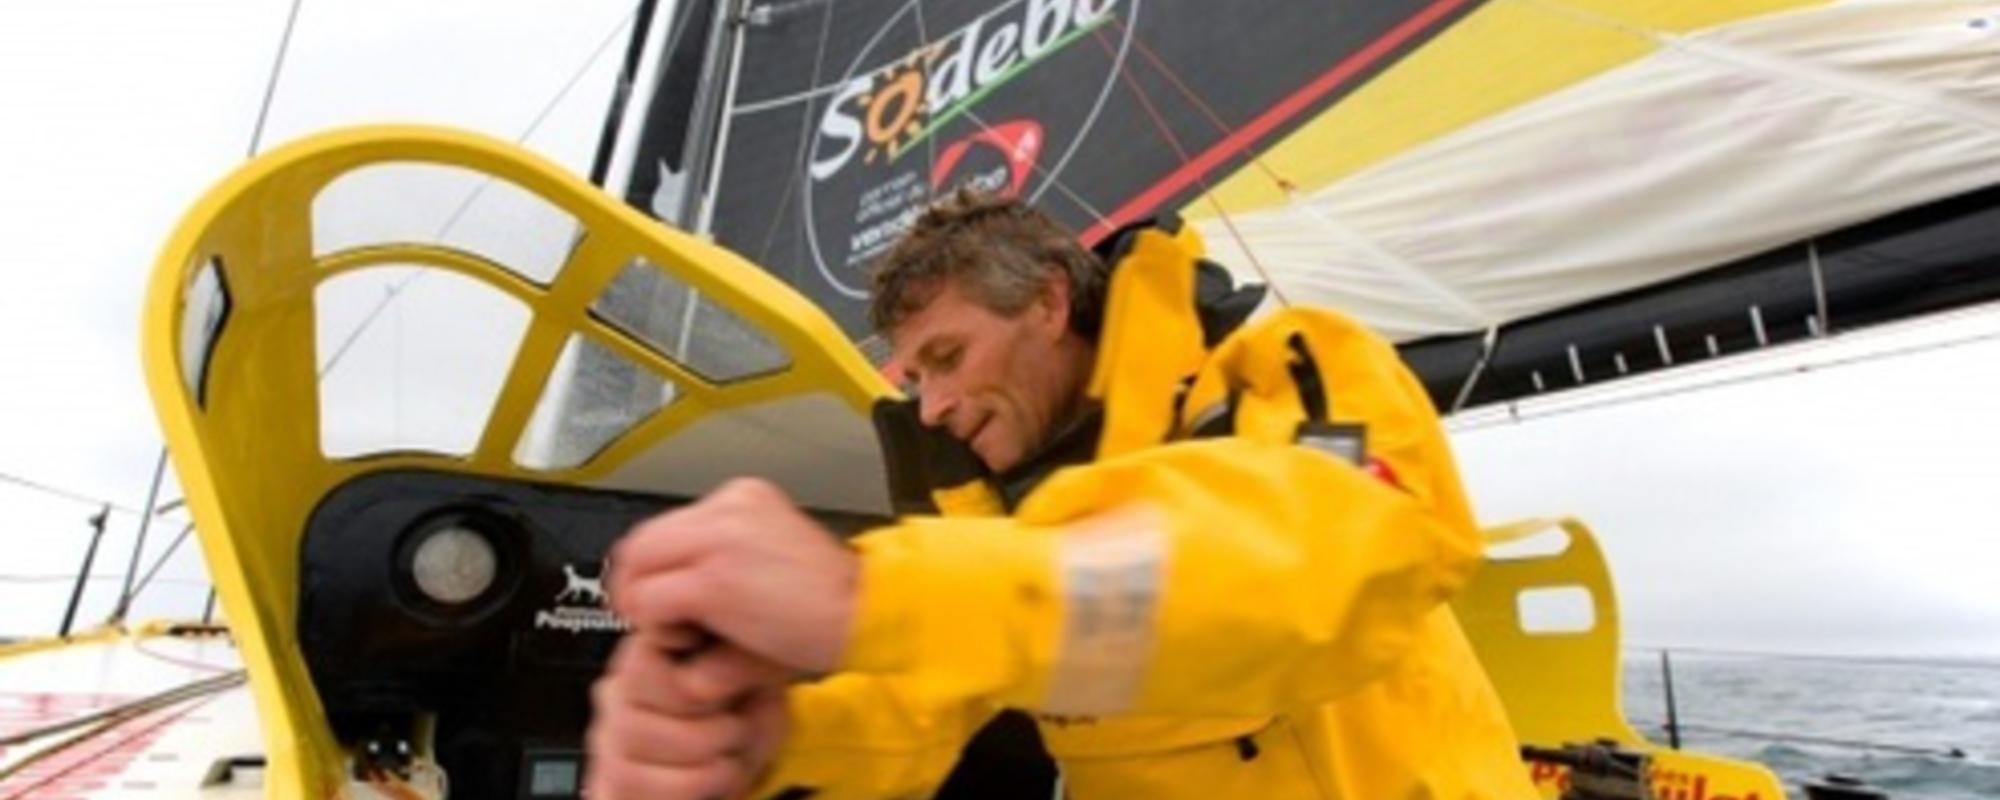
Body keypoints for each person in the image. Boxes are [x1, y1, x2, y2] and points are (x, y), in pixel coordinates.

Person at [585, 189, 1538, 799]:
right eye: (915, 379)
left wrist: (865, 594)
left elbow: (1343, 556)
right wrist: (765, 734)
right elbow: (909, 711)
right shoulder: (977, 519)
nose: (932, 407)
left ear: (1047, 302)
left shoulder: (1287, 375)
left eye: (948, 356)